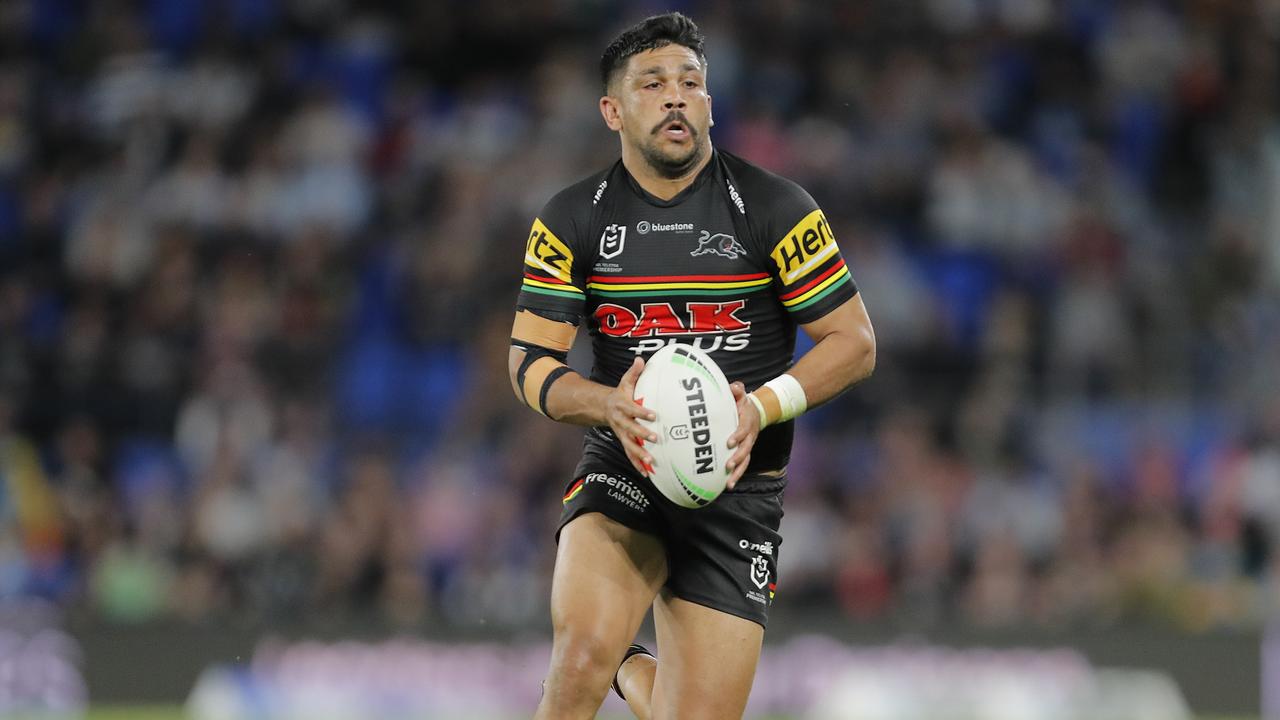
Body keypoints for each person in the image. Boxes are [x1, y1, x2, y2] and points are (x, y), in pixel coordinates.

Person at [508, 12, 876, 719]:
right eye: (653, 83)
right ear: (613, 110)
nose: (676, 96)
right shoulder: (571, 219)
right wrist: (606, 405)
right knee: (580, 656)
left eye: (692, 83)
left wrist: (759, 408)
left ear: (709, 104)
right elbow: (527, 363)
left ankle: (632, 668)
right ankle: (606, 654)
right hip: (626, 466)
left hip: (741, 492)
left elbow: (855, 343)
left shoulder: (776, 207)